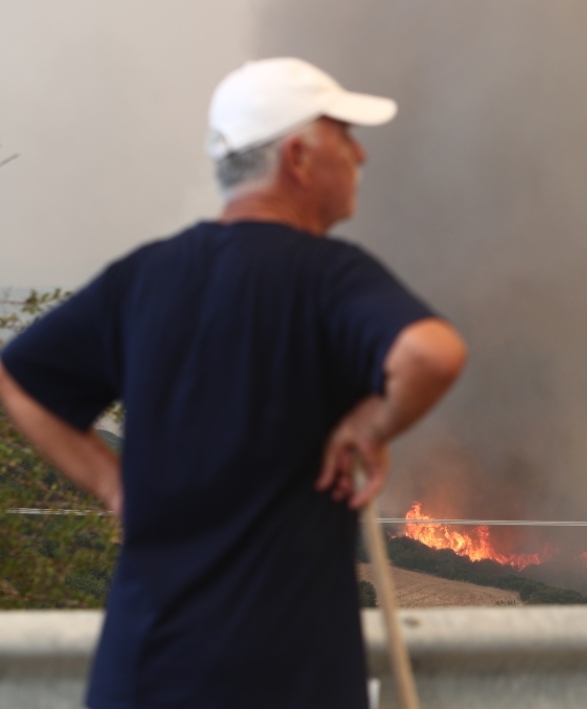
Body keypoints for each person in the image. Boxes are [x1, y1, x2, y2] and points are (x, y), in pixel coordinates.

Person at [0, 57, 466, 708]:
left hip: (144, 675)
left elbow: (18, 377)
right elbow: (432, 353)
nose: (360, 154)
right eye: (344, 135)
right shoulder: (330, 276)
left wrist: (113, 484)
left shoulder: (144, 277)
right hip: (287, 679)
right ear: (299, 157)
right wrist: (372, 422)